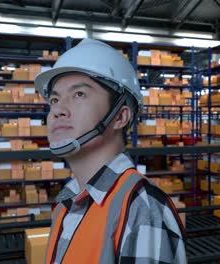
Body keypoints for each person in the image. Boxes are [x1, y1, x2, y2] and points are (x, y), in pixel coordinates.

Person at [35, 38, 186, 264]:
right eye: (55, 98)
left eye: (79, 95)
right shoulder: (68, 199)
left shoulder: (141, 207)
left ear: (119, 117)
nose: (57, 110)